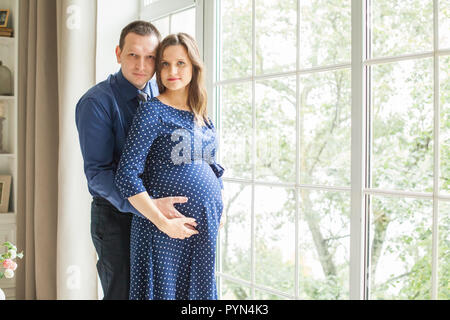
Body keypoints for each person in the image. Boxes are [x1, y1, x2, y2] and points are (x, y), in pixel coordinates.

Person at [75, 21, 192, 300]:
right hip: (116, 219)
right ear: (118, 53)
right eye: (133, 55)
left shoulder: (161, 97)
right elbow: (98, 173)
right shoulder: (96, 102)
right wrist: (148, 207)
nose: (142, 65)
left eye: (150, 57)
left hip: (156, 217)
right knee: (122, 294)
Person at [115, 33, 225, 300]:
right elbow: (126, 175)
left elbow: (214, 168)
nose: (171, 71)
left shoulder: (202, 115)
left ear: (194, 67)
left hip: (202, 229)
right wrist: (163, 222)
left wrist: (219, 206)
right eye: (164, 64)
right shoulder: (152, 111)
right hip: (160, 231)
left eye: (180, 63)